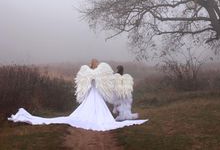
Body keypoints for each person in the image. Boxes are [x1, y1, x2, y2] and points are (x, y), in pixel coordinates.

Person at [8, 59, 147, 131]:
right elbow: (104, 81)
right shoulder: (98, 72)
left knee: (87, 110)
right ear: (96, 65)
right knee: (98, 111)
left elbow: (89, 84)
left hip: (92, 94)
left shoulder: (88, 72)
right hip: (96, 94)